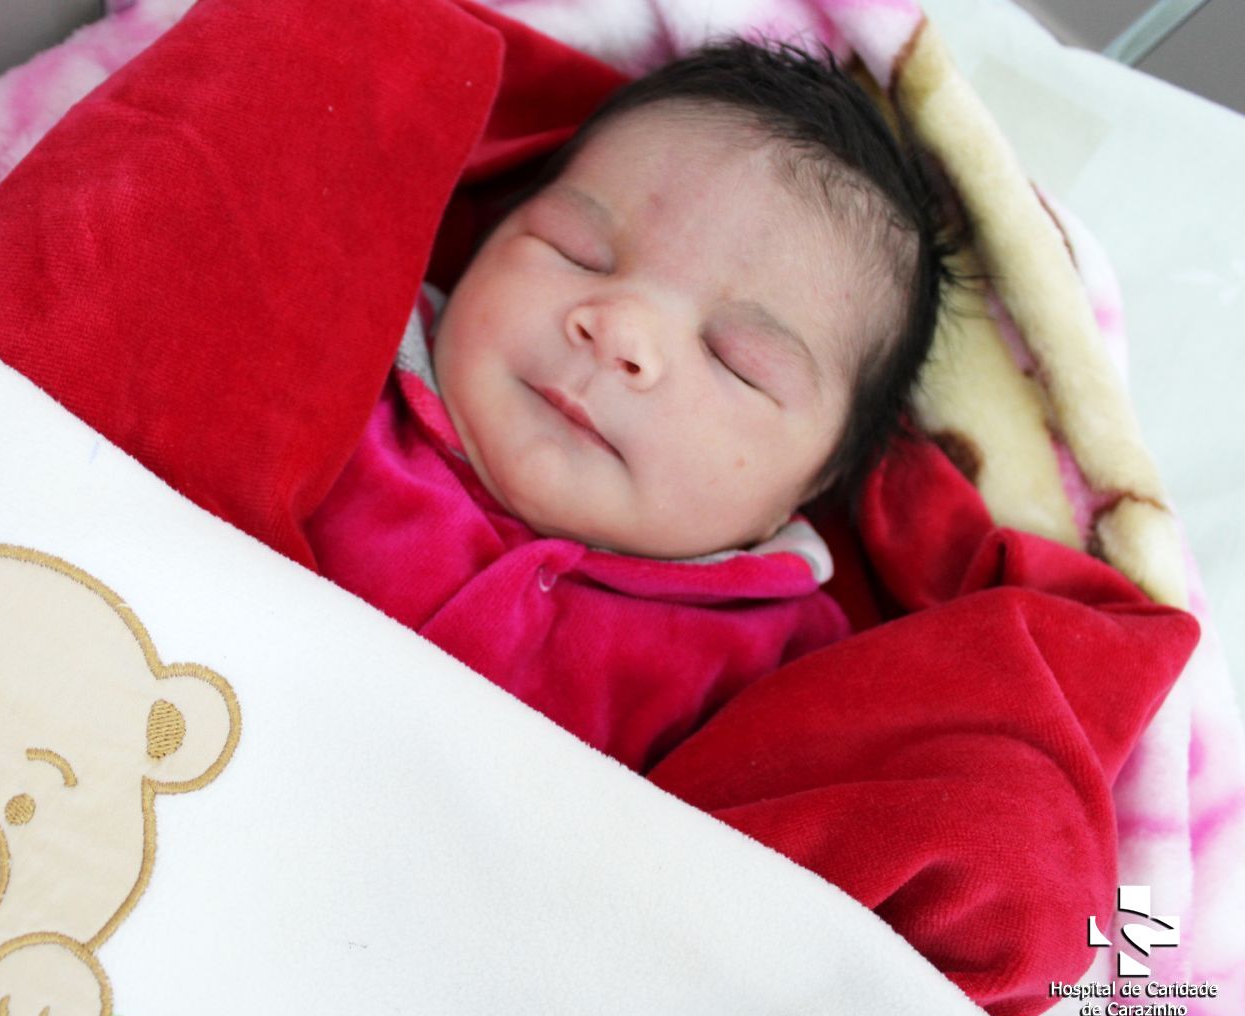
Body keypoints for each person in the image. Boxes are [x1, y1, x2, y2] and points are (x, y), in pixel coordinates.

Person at [304, 40, 955, 772]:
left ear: (807, 488)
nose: (621, 332)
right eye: (576, 251)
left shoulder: (777, 673)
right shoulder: (328, 368)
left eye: (734, 359)